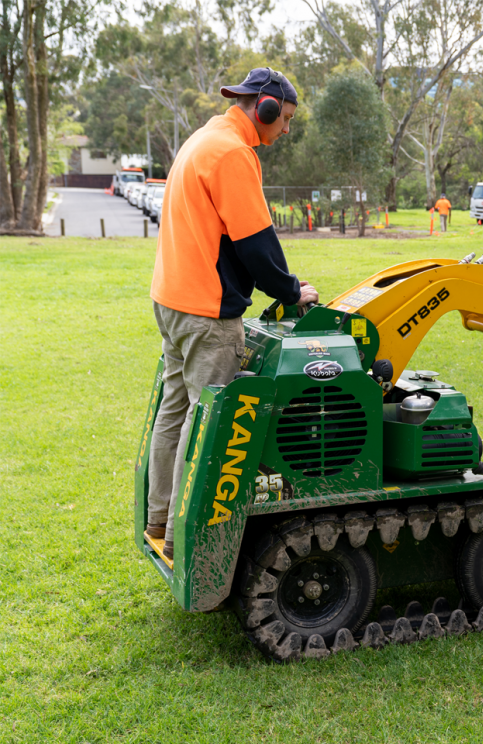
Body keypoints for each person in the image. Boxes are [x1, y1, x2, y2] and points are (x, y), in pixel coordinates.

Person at [145, 67, 318, 559]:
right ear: (263, 107)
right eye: (284, 118)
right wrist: (291, 291)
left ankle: (161, 517)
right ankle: (187, 542)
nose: (285, 130)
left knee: (175, 414)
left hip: (172, 303)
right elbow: (257, 248)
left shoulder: (204, 138)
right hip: (206, 315)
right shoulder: (232, 154)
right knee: (207, 426)